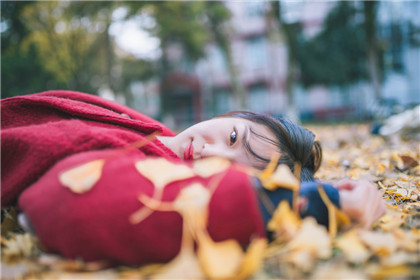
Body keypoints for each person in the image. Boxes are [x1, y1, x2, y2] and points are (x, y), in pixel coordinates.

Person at [1, 90, 385, 266]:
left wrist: (303, 204)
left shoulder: (144, 166)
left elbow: (73, 202)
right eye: (234, 137)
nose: (209, 153)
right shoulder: (147, 129)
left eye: (225, 171)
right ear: (234, 115)